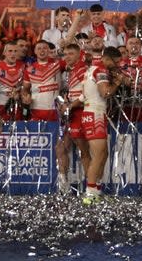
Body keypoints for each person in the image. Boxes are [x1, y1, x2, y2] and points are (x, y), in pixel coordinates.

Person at [80, 46, 124, 204]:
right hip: (94, 114)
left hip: (94, 112)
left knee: (103, 154)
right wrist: (117, 83)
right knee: (98, 155)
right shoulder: (100, 70)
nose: (117, 65)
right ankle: (90, 194)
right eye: (116, 62)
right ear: (107, 58)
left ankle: (96, 191)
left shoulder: (92, 68)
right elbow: (105, 93)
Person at [57, 42, 90, 194]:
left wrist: (70, 106)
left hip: (81, 113)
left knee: (84, 151)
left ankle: (91, 188)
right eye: (65, 54)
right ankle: (63, 183)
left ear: (79, 54)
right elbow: (76, 93)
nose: (67, 57)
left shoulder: (83, 69)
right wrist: (67, 102)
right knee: (61, 147)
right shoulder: (72, 70)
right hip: (72, 114)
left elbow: (87, 93)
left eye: (71, 54)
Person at [0, 41, 29, 127]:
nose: (13, 54)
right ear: (4, 53)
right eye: (10, 51)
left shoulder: (24, 67)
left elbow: (27, 90)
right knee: (0, 138)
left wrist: (20, 95)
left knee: (18, 138)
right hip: (0, 109)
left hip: (18, 108)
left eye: (15, 51)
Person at [25, 40, 62, 122]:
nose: (42, 50)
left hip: (55, 111)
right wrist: (25, 97)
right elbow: (25, 90)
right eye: (39, 48)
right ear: (35, 51)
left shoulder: (58, 64)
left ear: (49, 50)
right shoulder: (29, 69)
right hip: (35, 111)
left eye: (45, 48)